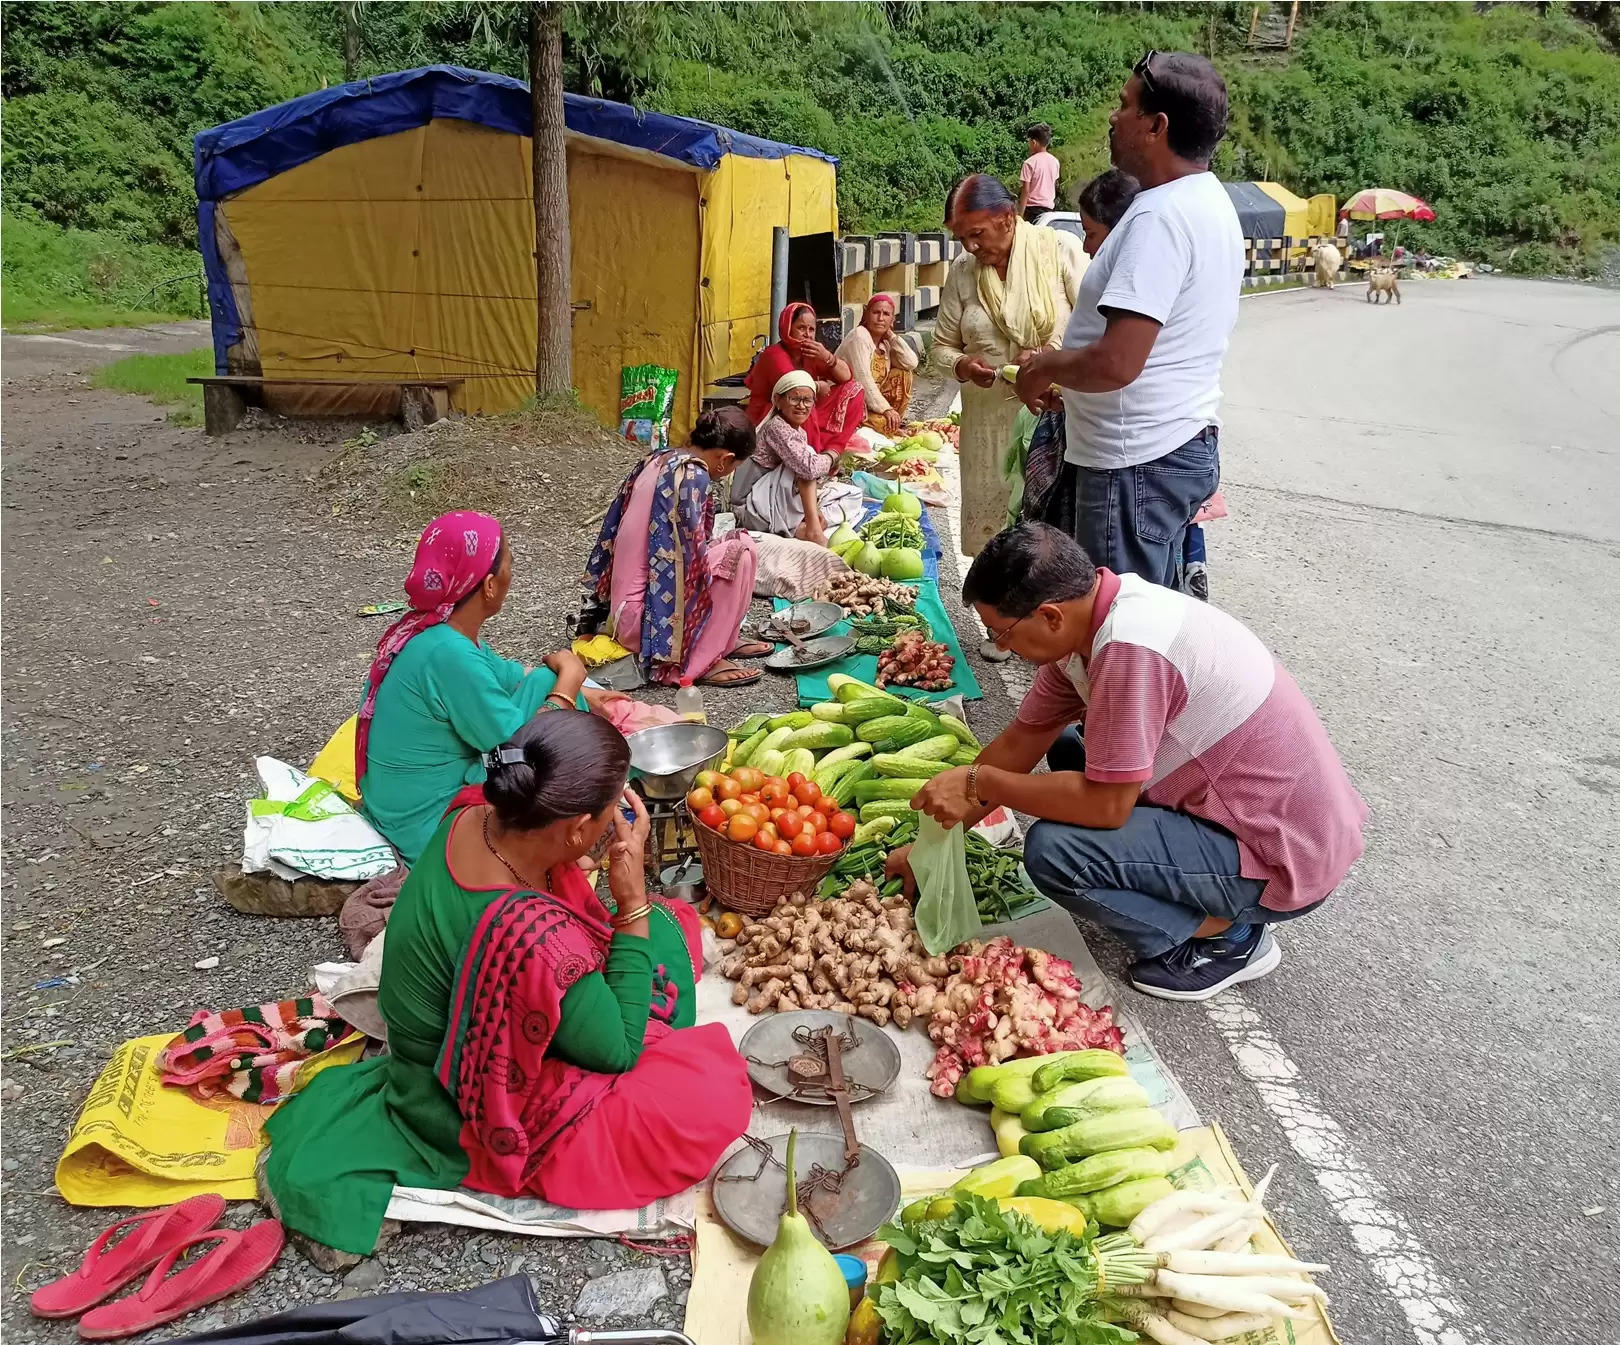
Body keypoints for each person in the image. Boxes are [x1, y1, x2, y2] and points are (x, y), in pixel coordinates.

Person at [264, 710, 753, 1258]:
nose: (618, 817)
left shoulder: (475, 809)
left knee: (671, 931)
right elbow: (616, 1052)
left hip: (451, 1023)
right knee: (701, 1095)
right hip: (454, 1100)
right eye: (611, 809)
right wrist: (631, 901)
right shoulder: (534, 937)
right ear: (574, 829)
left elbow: (551, 897)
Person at [887, 524, 1367, 1001]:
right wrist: (930, 847)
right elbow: (1021, 742)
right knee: (1070, 749)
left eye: (1004, 633)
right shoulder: (1094, 621)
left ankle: (1227, 937)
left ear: (1051, 615)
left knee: (1056, 852)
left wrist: (981, 781)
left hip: (1281, 854)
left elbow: (1105, 807)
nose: (1004, 647)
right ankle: (1203, 897)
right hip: (1261, 817)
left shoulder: (1131, 650)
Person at [1016, 52, 1243, 591]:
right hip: (1167, 445)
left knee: (1120, 633)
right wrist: (1071, 384)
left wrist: (1043, 367)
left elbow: (1119, 361)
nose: (1113, 119)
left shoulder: (1160, 217)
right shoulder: (1208, 201)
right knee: (1146, 621)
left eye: (1124, 107)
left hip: (1132, 464)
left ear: (1156, 126)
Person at [357, 511, 624, 866]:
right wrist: (570, 680)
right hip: (426, 824)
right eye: (509, 565)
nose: (512, 575)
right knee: (553, 716)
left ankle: (580, 816)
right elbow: (523, 748)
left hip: (399, 804)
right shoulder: (448, 654)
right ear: (489, 585)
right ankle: (574, 827)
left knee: (547, 683)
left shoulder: (436, 630)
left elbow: (511, 675)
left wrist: (584, 691)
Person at [933, 172, 1087, 586]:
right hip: (987, 427)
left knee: (1052, 530)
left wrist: (1050, 358)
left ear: (1007, 217)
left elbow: (1100, 329)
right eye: (962, 238)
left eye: (977, 234)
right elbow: (940, 348)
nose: (970, 247)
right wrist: (963, 367)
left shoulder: (1058, 252)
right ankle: (1001, 621)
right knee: (994, 532)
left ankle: (1057, 626)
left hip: (1054, 420)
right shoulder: (964, 272)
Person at [585, 406, 771, 689]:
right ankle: (702, 659)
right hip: (645, 624)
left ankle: (722, 641)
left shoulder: (662, 458)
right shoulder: (692, 475)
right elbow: (687, 569)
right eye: (735, 467)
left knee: (736, 545)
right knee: (741, 551)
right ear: (725, 459)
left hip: (623, 612)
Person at [731, 370, 865, 546]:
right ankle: (813, 530)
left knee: (853, 495)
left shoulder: (797, 431)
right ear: (778, 401)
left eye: (807, 400)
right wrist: (832, 455)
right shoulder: (776, 427)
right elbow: (809, 468)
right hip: (751, 507)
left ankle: (802, 527)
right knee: (806, 460)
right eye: (794, 399)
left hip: (772, 501)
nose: (801, 406)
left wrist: (815, 509)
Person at [744, 301, 866, 455]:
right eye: (801, 328)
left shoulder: (811, 352)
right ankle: (811, 453)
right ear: (787, 328)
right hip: (772, 413)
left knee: (855, 390)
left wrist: (828, 357)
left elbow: (846, 377)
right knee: (803, 401)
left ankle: (834, 448)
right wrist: (818, 386)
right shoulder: (774, 354)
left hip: (801, 409)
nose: (807, 334)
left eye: (811, 329)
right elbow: (794, 388)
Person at [835, 293, 919, 436]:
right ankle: (886, 423)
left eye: (886, 314)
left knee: (903, 374)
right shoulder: (859, 336)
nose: (880, 318)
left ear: (892, 320)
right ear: (866, 315)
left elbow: (911, 363)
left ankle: (892, 422)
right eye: (876, 312)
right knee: (883, 426)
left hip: (872, 403)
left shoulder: (885, 343)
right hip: (850, 402)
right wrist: (886, 409)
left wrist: (892, 336)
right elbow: (863, 380)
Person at [1018, 123, 1061, 224]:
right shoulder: (1055, 162)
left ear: (1034, 142)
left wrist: (1020, 215)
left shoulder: (1029, 163)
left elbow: (1026, 191)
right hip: (1049, 212)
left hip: (1032, 210)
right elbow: (1053, 185)